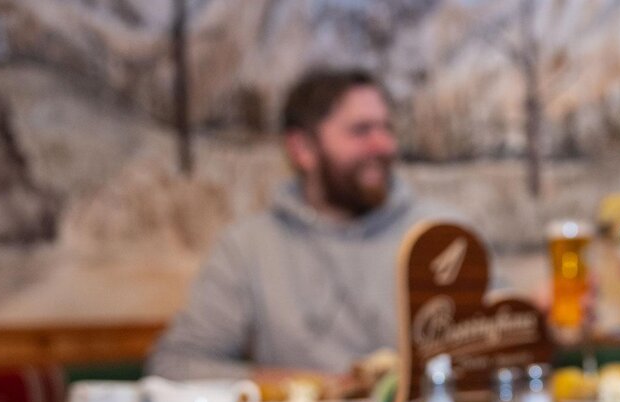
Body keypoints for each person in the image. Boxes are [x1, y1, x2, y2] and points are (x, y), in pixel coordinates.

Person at [148, 69, 460, 383]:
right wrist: (312, 387)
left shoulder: (443, 234)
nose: (383, 145)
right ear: (302, 149)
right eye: (361, 131)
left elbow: (499, 345)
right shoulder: (248, 247)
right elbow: (176, 365)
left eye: (386, 128)